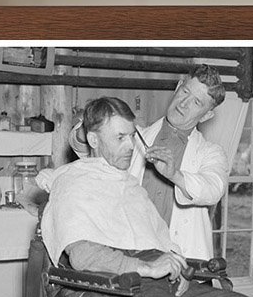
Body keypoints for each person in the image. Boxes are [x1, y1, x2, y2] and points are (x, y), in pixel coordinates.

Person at [38, 97, 253, 297]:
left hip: (154, 285)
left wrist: (179, 265)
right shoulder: (73, 184)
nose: (129, 146)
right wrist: (146, 268)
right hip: (108, 291)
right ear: (94, 140)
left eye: (131, 136)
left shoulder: (128, 185)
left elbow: (156, 239)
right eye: (119, 137)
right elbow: (84, 257)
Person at [69, 66, 229, 261]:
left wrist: (174, 174)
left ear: (206, 115)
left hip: (185, 261)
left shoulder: (211, 153)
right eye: (185, 91)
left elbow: (213, 189)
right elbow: (89, 151)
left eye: (196, 102)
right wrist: (85, 129)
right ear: (178, 86)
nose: (184, 103)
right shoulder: (136, 138)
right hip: (132, 255)